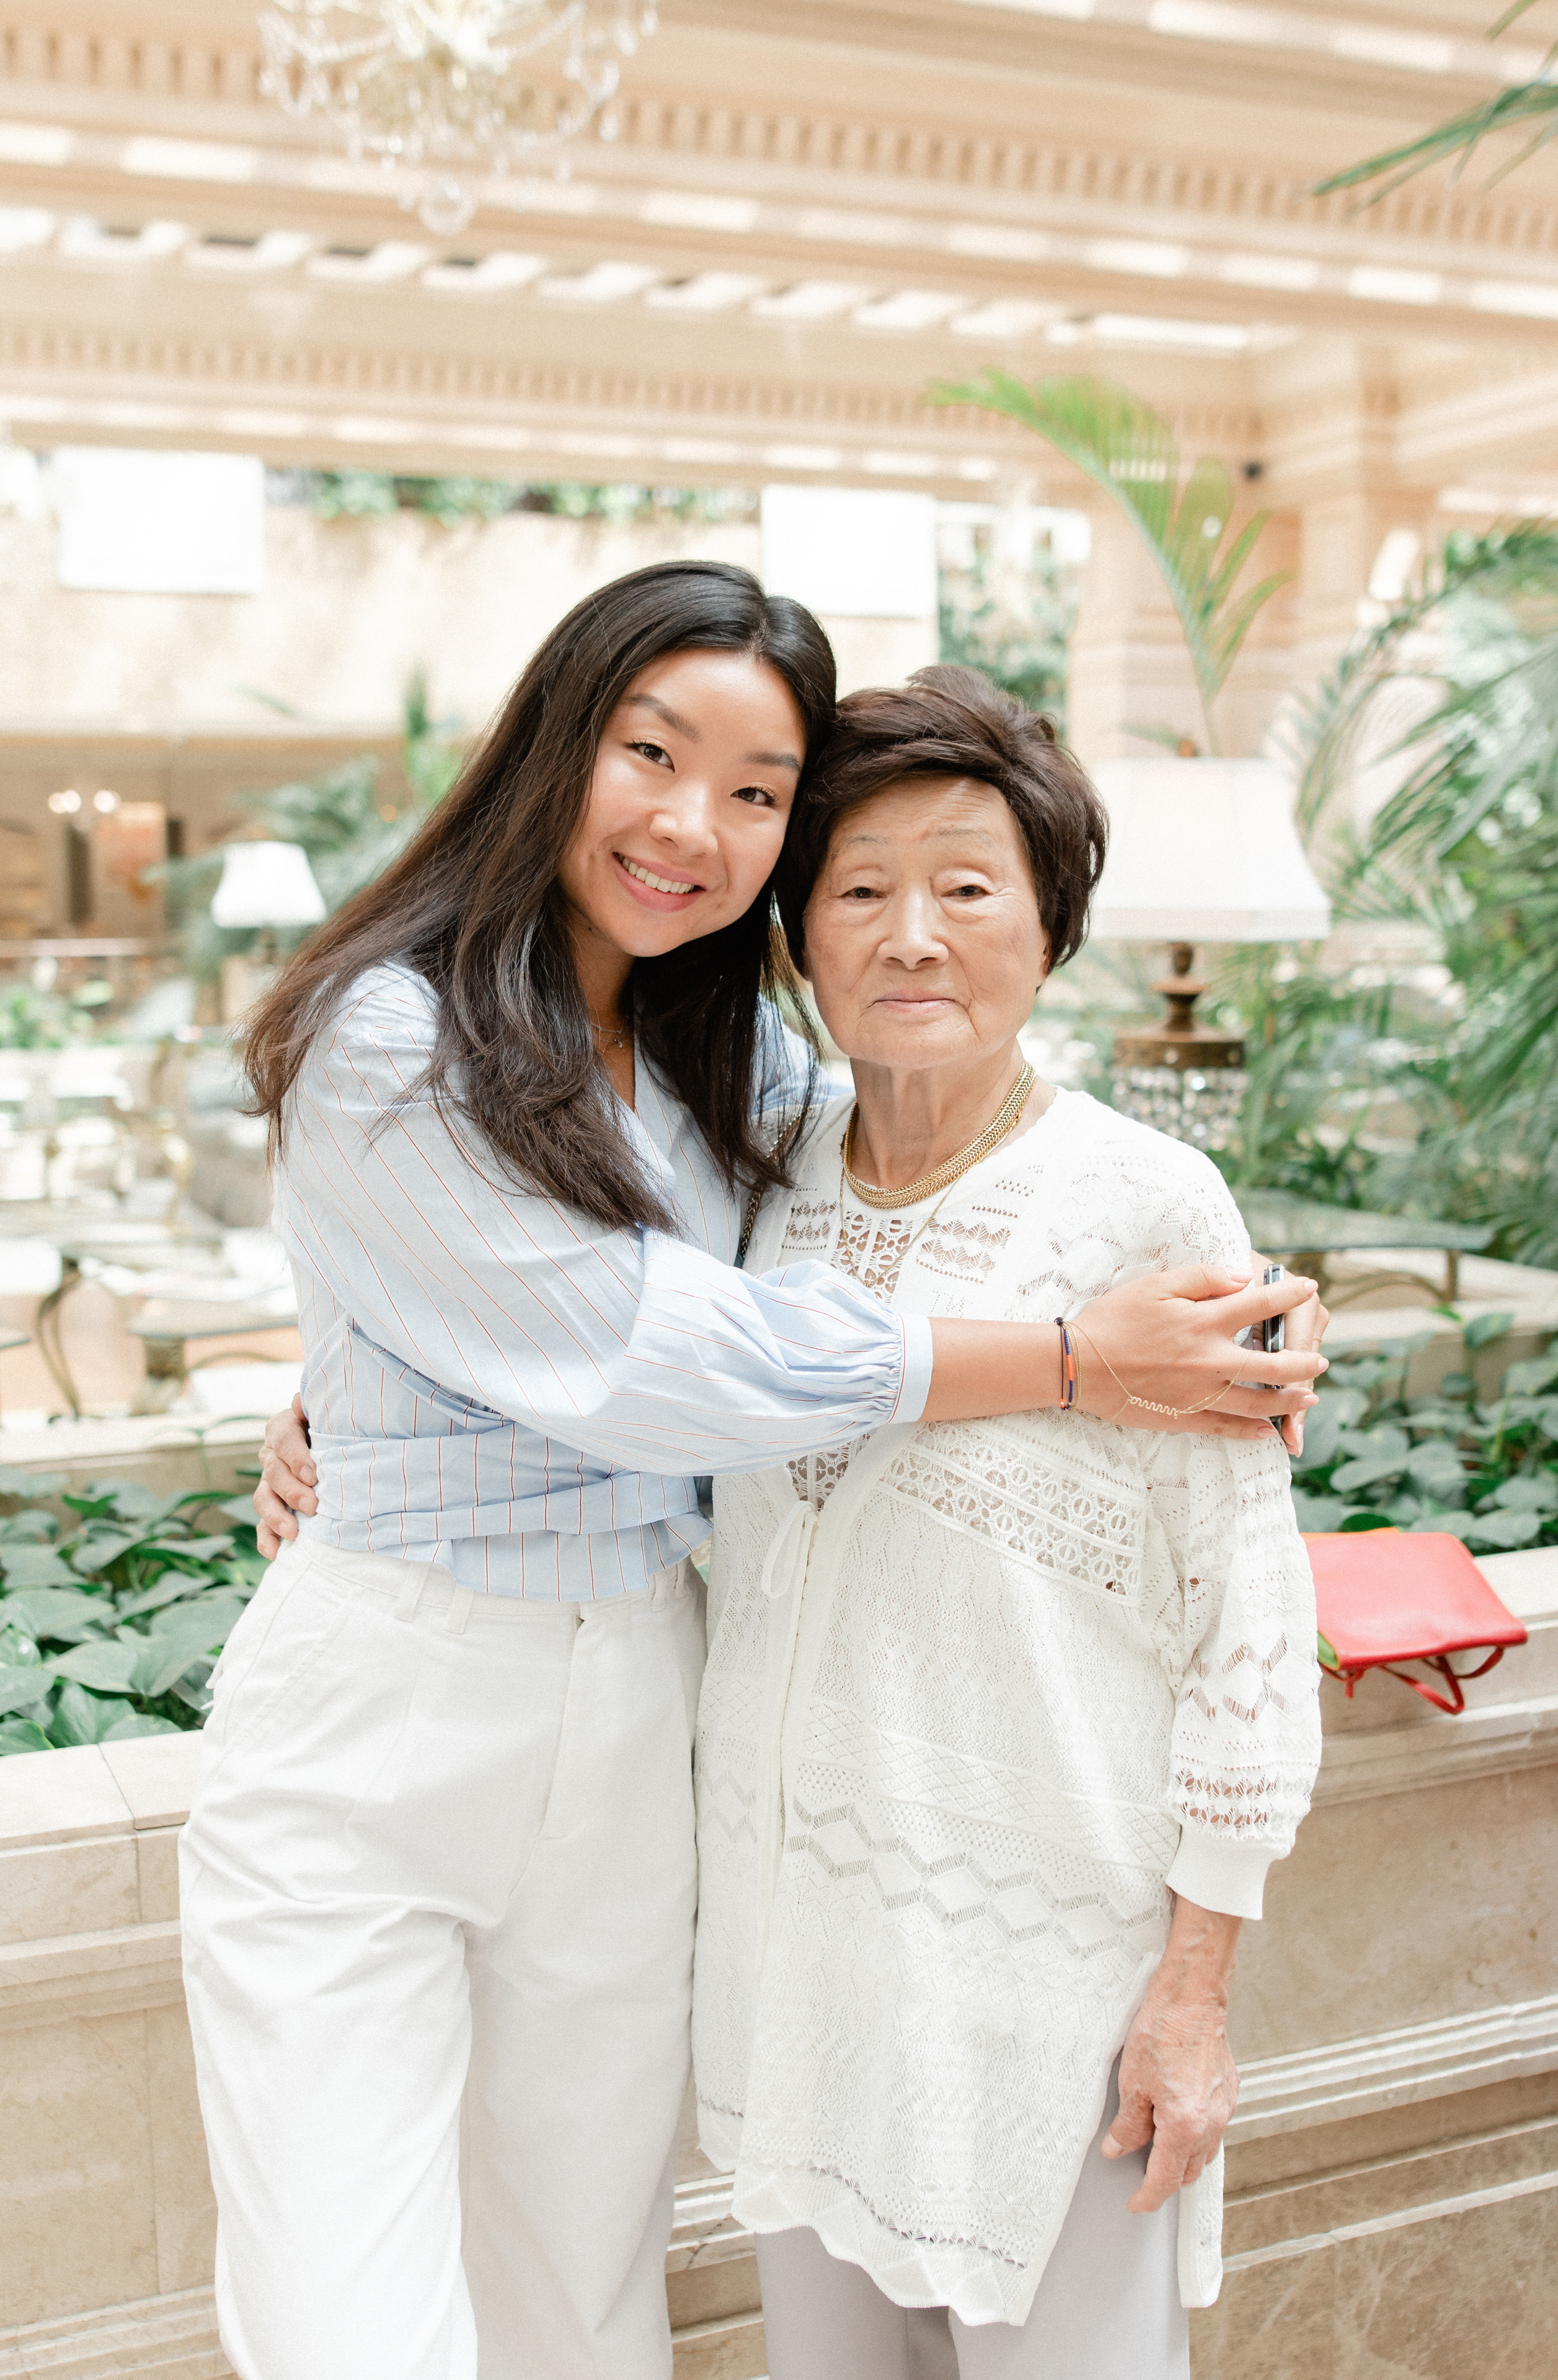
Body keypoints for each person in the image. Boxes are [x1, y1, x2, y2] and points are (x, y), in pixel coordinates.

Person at [216, 560, 1323, 2380]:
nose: (692, 825)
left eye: (753, 796)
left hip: (646, 1707)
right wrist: (1069, 1359)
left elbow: (954, 1155)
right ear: (557, 746)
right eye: (654, 754)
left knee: (583, 2285)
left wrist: (1255, 1328)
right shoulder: (390, 1031)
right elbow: (651, 1356)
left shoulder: (731, 1081)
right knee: (348, 2307)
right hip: (394, 1700)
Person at [691, 666, 1322, 2380]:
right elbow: (599, 1363)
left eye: (968, 887)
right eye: (860, 888)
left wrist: (1192, 1998)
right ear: (798, 936)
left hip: (1051, 1988)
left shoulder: (1144, 1198)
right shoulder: (754, 1171)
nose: (912, 935)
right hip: (803, 1966)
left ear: (1049, 930)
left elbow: (1247, 1622)